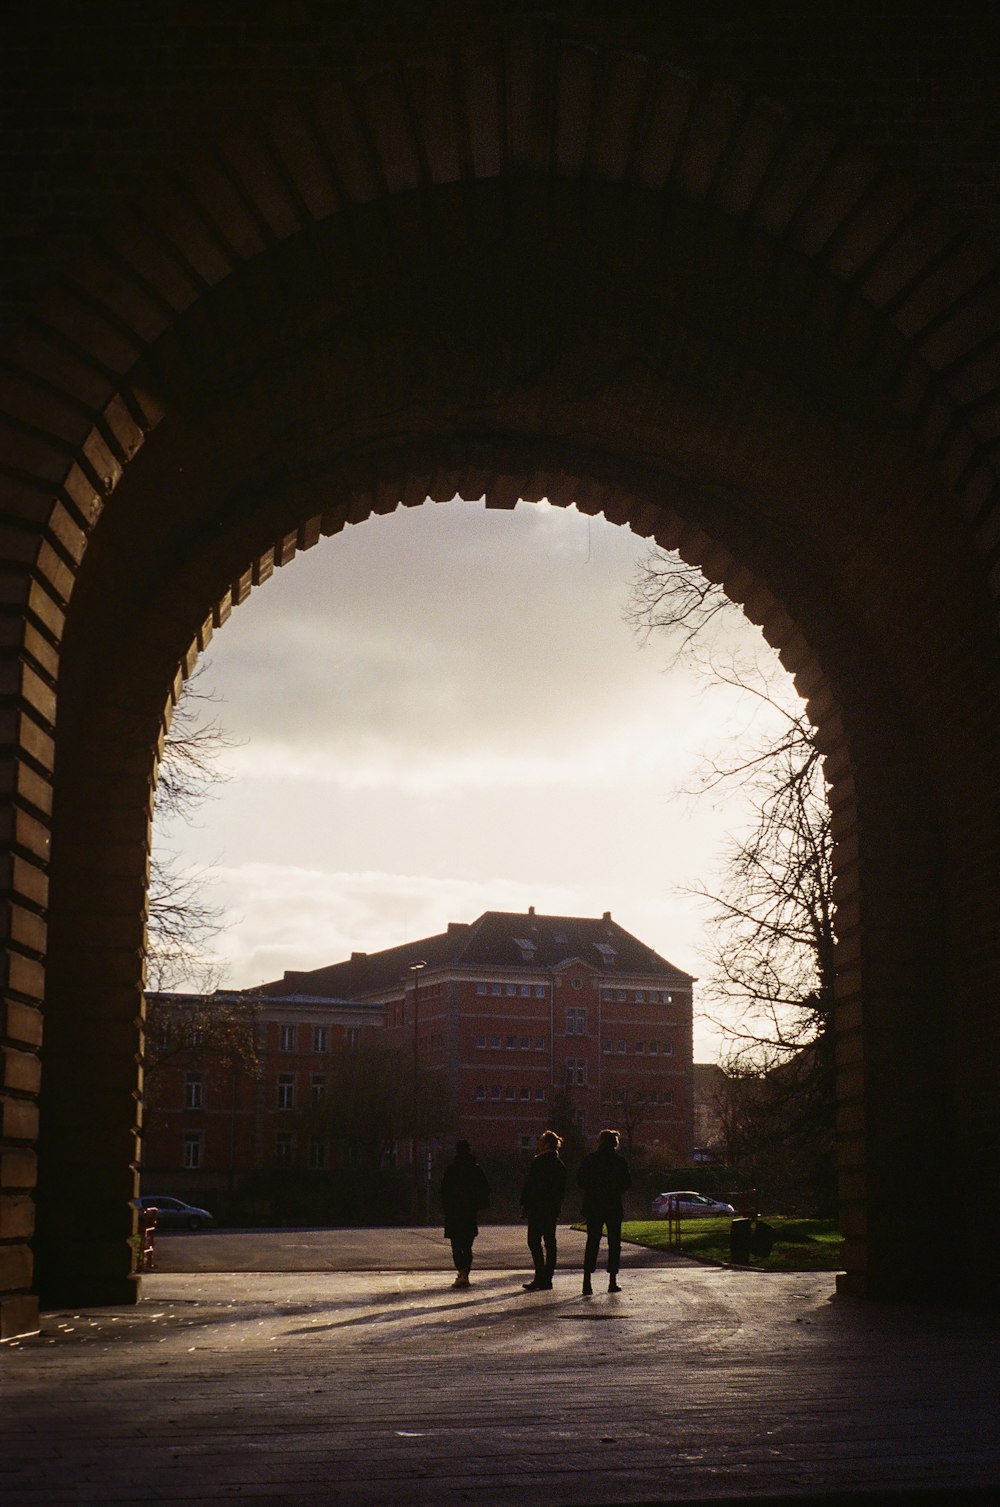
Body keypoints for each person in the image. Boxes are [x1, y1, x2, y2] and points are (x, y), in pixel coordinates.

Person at [576, 1127, 632, 1295]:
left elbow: (580, 1180)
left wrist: (593, 1190)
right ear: (615, 1143)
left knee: (592, 1242)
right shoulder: (619, 1161)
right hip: (613, 1205)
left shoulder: (590, 1159)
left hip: (594, 1205)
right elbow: (627, 1183)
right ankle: (612, 1281)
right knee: (614, 1243)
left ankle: (587, 1280)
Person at [520, 1130, 567, 1291]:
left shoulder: (538, 1162)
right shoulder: (559, 1165)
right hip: (551, 1209)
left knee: (534, 1241)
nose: (538, 1143)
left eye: (540, 1141)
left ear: (547, 1144)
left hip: (537, 1208)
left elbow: (530, 1186)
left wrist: (525, 1205)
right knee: (550, 1243)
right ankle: (548, 1277)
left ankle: (540, 1275)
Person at [440, 1139, 491, 1288]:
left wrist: (447, 1207)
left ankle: (461, 1272)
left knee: (456, 1246)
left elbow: (444, 1191)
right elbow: (485, 1189)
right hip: (469, 1213)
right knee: (467, 1246)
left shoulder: (451, 1169)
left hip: (454, 1213)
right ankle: (465, 1274)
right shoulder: (475, 1169)